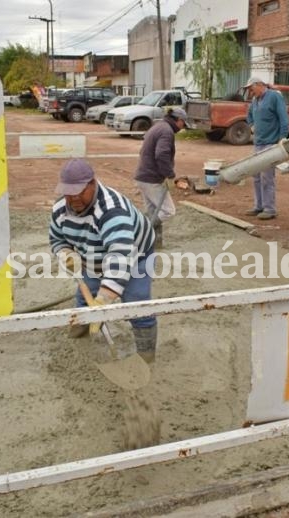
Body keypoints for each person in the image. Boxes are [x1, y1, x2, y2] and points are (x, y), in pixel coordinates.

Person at [49, 158, 158, 362]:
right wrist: (65, 252)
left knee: (136, 302)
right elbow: (56, 237)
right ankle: (80, 328)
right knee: (86, 294)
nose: (74, 199)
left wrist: (105, 298)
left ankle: (146, 353)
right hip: (92, 255)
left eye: (80, 192)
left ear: (93, 183)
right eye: (68, 194)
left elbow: (120, 259)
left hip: (135, 255)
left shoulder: (112, 212)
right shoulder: (60, 210)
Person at [134, 107, 189, 247]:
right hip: (151, 179)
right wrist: (170, 176)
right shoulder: (166, 131)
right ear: (179, 120)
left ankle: (154, 244)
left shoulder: (158, 126)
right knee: (168, 211)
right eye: (184, 123)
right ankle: (141, 229)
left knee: (154, 211)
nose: (183, 127)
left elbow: (144, 151)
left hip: (143, 176)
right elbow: (161, 155)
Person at [244, 76, 289, 220]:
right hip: (258, 143)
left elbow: (284, 117)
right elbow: (249, 115)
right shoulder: (255, 100)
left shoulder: (274, 97)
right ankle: (259, 206)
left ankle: (270, 209)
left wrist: (283, 137)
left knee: (267, 177)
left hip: (270, 143)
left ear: (259, 85)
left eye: (251, 89)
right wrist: (252, 125)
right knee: (256, 176)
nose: (250, 92)